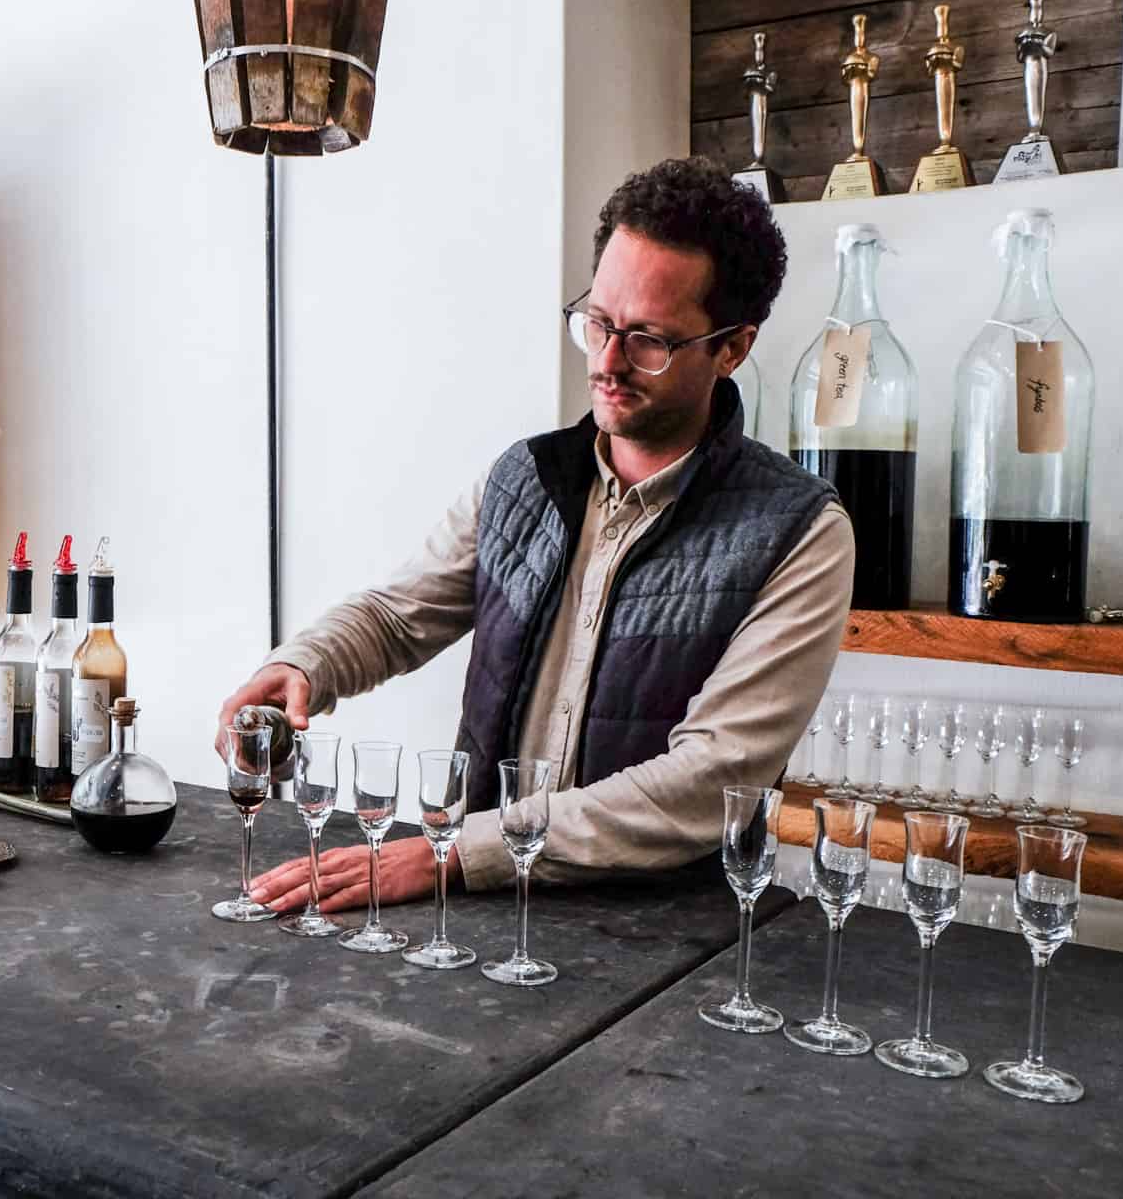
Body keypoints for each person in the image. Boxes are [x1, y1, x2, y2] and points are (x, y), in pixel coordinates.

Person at [217, 157, 855, 913]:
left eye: (649, 339)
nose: (609, 362)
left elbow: (710, 781)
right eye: (599, 323)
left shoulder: (801, 532)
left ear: (733, 347)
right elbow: (395, 616)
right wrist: (304, 664)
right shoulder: (524, 478)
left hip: (663, 950)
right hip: (480, 921)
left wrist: (456, 855)